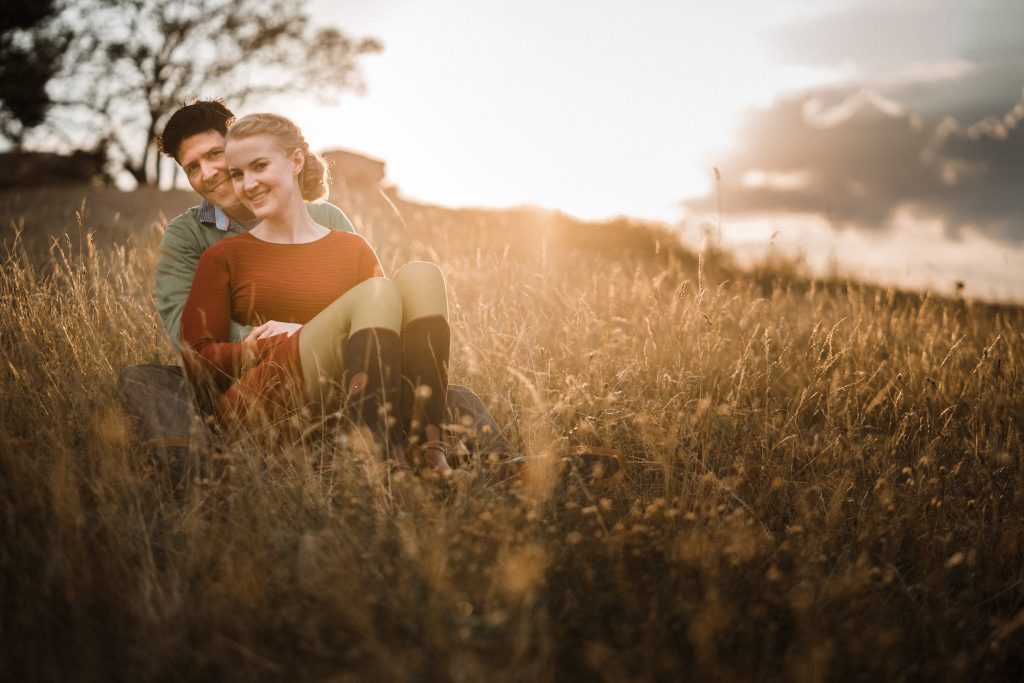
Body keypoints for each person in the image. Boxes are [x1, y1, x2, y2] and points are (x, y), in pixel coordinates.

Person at [179, 113, 454, 475]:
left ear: (295, 161)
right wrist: (260, 345)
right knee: (377, 292)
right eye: (237, 174)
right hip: (262, 405)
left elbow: (387, 349)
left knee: (421, 275)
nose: (248, 184)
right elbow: (194, 360)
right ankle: (369, 461)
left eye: (259, 166)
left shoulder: (352, 248)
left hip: (344, 396)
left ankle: (429, 454)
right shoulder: (224, 257)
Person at [155, 99, 357, 351]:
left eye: (214, 154)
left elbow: (362, 307)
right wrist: (290, 341)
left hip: (334, 365)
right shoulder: (184, 236)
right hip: (240, 371)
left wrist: (308, 336)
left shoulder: (326, 219)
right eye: (193, 168)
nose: (207, 174)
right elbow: (187, 334)